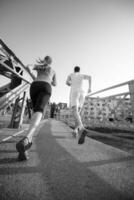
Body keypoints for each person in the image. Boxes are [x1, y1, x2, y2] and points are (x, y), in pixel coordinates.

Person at [16, 55, 57, 161]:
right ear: (51, 62)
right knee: (39, 111)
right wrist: (50, 79)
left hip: (34, 85)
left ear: (44, 60)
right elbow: (55, 84)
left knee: (35, 112)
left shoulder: (39, 66)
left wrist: (35, 77)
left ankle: (26, 144)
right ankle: (27, 138)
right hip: (45, 86)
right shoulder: (52, 70)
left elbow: (27, 66)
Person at [66, 66, 91, 144]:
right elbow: (90, 77)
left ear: (74, 70)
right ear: (79, 70)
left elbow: (67, 82)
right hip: (82, 93)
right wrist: (89, 88)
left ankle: (82, 129)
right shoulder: (82, 75)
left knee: (75, 112)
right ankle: (75, 131)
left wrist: (70, 83)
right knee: (77, 114)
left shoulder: (71, 74)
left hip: (75, 92)